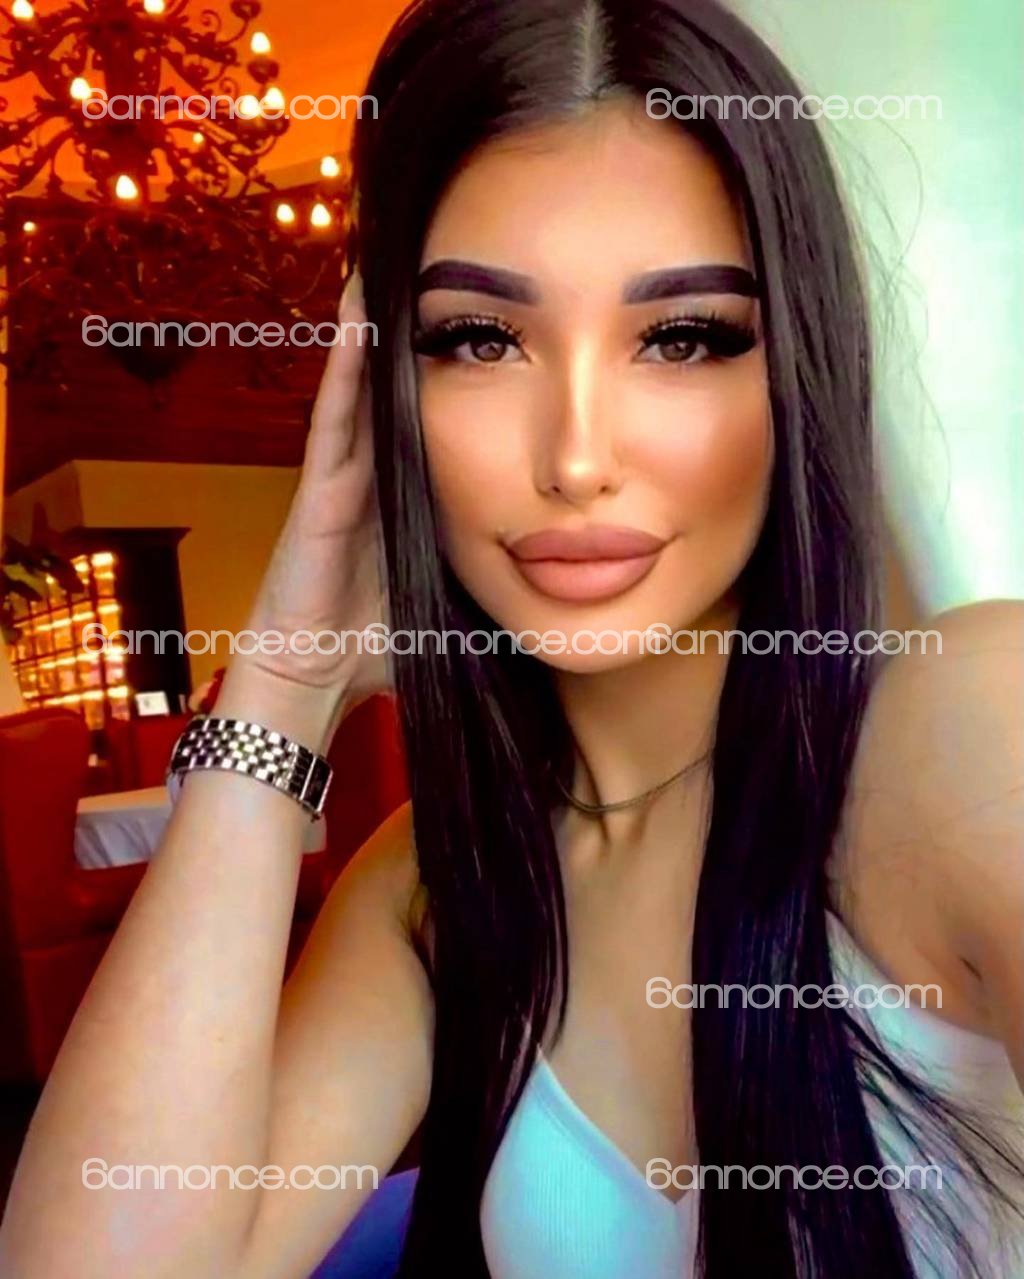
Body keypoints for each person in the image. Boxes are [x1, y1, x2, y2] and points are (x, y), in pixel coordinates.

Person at [2, 1, 1022, 1276]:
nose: (576, 458)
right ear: (387, 394)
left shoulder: (968, 725)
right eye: (479, 339)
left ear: (796, 372)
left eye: (682, 336)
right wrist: (284, 677)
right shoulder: (436, 880)